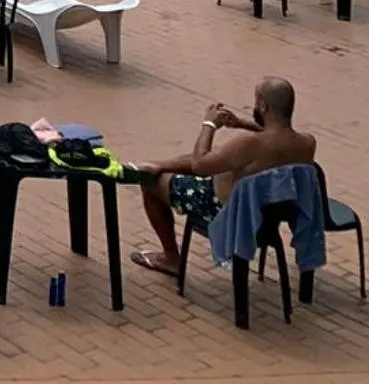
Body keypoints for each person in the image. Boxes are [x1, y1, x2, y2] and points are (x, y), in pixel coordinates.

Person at [129, 76, 315, 277]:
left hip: (226, 212)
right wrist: (241, 123)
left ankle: (171, 257)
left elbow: (200, 165)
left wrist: (209, 124)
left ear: (262, 106)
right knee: (220, 157)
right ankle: (157, 165)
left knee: (151, 183)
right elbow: (276, 136)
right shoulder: (306, 144)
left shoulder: (250, 144)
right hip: (267, 218)